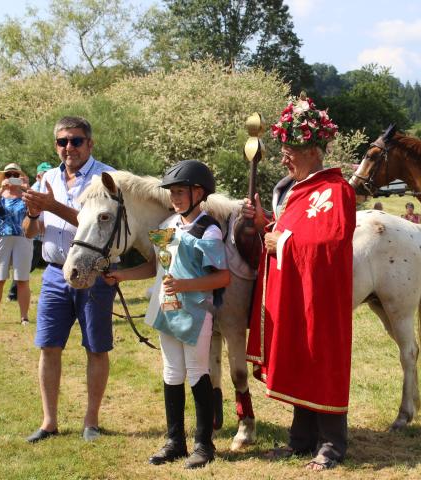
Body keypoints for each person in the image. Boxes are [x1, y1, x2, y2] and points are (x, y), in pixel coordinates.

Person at [243, 94, 356, 471]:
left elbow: (330, 242)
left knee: (321, 361)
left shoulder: (336, 191)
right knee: (301, 359)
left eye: (290, 148)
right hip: (297, 292)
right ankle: (302, 440)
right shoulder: (298, 191)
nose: (284, 157)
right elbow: (293, 231)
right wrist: (265, 225)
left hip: (322, 296)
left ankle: (331, 446)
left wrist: (283, 242)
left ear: (312, 149)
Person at [103, 160, 230, 469]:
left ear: (198, 192)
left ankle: (203, 444)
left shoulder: (208, 229)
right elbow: (156, 267)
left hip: (196, 313)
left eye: (180, 191)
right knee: (172, 372)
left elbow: (222, 277)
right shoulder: (167, 226)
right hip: (167, 309)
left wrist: (185, 284)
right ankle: (175, 441)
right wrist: (123, 276)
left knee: (197, 372)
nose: (174, 197)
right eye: (172, 192)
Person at [22, 116, 116, 443]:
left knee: (96, 347)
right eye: (62, 142)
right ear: (56, 145)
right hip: (53, 273)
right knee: (48, 346)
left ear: (90, 144)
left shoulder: (107, 179)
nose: (69, 147)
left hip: (94, 275)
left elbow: (98, 227)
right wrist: (34, 213)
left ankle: (91, 421)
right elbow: (30, 231)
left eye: (76, 141)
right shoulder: (47, 178)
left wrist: (52, 205)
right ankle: (49, 422)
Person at [0, 163, 32, 325]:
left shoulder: (26, 194)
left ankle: (24, 317)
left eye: (15, 174)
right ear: (4, 177)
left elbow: (37, 207)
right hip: (0, 237)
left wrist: (27, 188)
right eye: (8, 174)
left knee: (22, 279)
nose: (12, 177)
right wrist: (1, 190)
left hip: (23, 238)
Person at [8, 162, 53, 301]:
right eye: (44, 173)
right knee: (28, 266)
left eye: (49, 173)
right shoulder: (33, 189)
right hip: (33, 237)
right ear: (38, 176)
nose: (47, 176)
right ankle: (13, 293)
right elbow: (26, 214)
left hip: (43, 236)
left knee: (30, 265)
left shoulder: (47, 190)